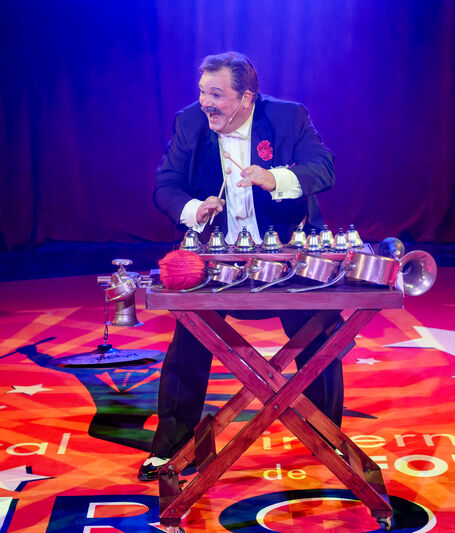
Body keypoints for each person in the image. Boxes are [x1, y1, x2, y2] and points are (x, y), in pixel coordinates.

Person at [140, 51, 343, 481]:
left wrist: (276, 179)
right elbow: (165, 186)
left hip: (287, 256)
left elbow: (323, 168)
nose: (205, 103)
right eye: (202, 92)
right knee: (189, 336)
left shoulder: (287, 118)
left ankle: (327, 437)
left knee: (320, 331)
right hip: (217, 259)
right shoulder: (189, 122)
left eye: (216, 94)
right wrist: (194, 210)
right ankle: (172, 448)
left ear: (247, 97)